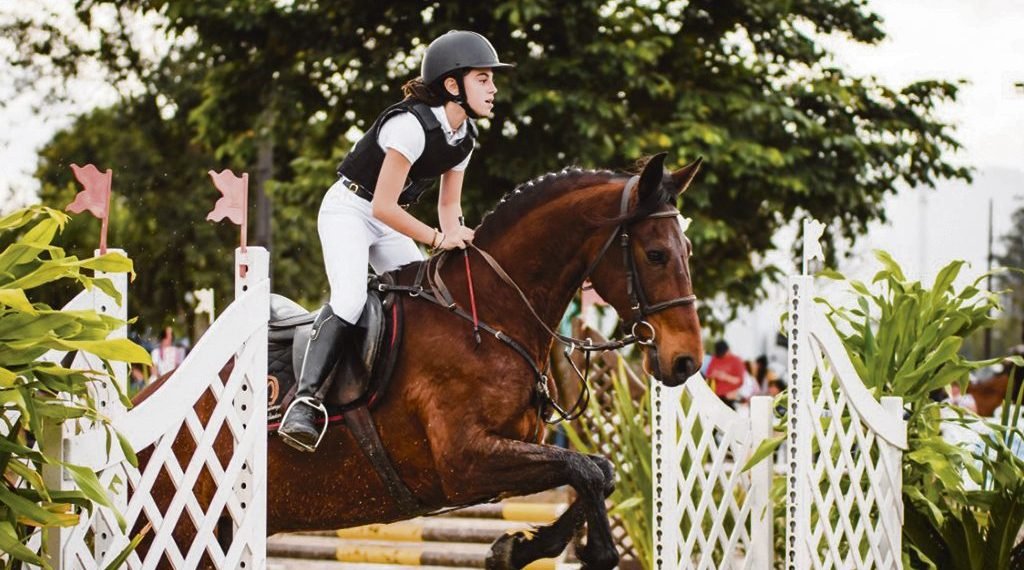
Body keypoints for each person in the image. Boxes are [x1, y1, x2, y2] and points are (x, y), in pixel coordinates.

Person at [277, 30, 513, 452]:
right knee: (349, 299)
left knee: (426, 297)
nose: (493, 88)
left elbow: (448, 209)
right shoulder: (410, 126)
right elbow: (384, 206)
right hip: (349, 209)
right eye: (483, 78)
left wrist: (461, 237)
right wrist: (439, 239)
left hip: (386, 218)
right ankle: (305, 401)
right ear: (453, 85)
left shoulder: (464, 139)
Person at [705, 340, 746, 407]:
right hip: (716, 397)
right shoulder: (715, 358)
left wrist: (725, 377)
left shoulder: (736, 361)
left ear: (728, 350)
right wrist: (715, 374)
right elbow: (708, 374)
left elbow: (739, 380)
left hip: (729, 398)